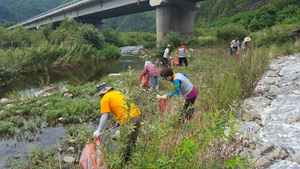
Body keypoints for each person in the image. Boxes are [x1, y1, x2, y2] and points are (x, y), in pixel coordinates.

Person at [93, 83, 142, 162]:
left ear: (102, 93)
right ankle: (135, 159)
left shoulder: (105, 98)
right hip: (137, 115)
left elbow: (104, 116)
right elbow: (122, 106)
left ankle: (123, 163)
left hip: (128, 120)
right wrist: (120, 121)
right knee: (134, 140)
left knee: (126, 144)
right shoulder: (118, 92)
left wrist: (99, 130)